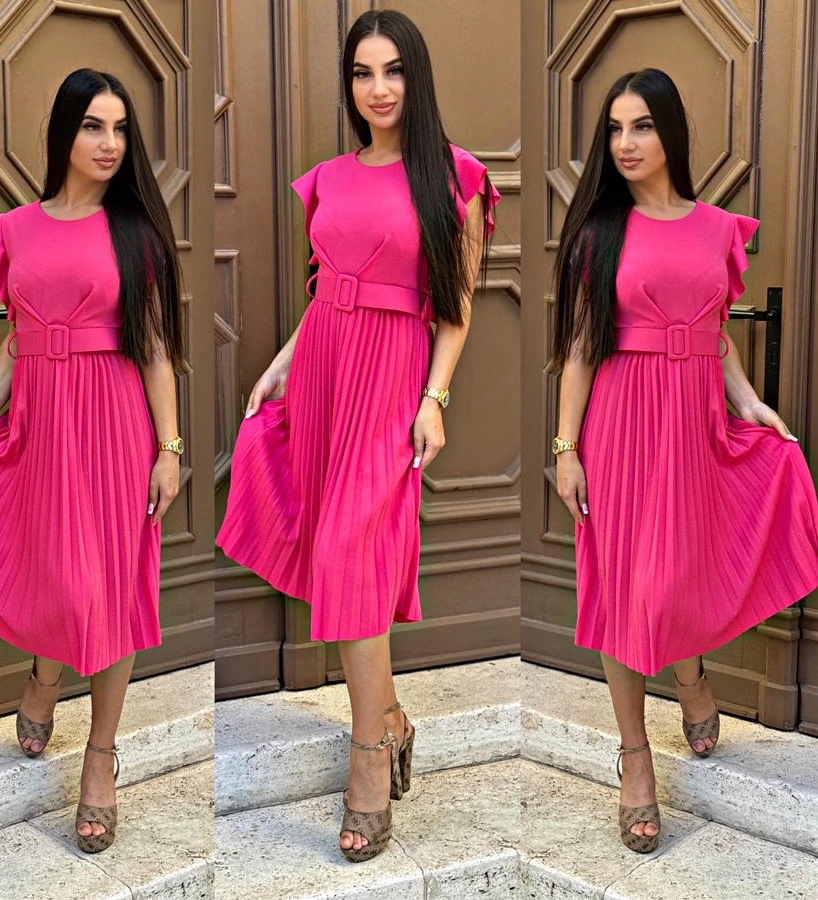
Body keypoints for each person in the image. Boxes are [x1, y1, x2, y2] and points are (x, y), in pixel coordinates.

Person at [217, 9, 499, 862]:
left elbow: (458, 306)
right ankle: (393, 717)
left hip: (392, 376)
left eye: (393, 71)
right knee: (336, 555)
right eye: (362, 73)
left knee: (350, 556)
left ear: (417, 77)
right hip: (324, 370)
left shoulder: (454, 176)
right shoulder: (329, 179)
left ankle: (369, 757)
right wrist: (280, 364)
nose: (378, 89)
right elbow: (325, 290)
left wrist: (434, 398)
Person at [551, 67, 818, 854]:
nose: (625, 143)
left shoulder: (715, 228)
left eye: (641, 126)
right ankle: (635, 757)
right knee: (626, 589)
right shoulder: (601, 232)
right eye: (614, 129)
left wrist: (748, 401)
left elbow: (715, 333)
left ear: (670, 131)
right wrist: (566, 448)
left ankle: (691, 674)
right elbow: (579, 349)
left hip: (694, 419)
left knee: (683, 571)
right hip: (621, 424)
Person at [0, 68, 185, 853]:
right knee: (52, 571)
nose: (110, 143)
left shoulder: (134, 232)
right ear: (64, 132)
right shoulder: (21, 228)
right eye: (94, 126)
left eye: (121, 129)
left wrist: (170, 448)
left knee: (108, 588)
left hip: (114, 424)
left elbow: (156, 348)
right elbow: (20, 332)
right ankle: (44, 674)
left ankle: (100, 755)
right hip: (41, 420)